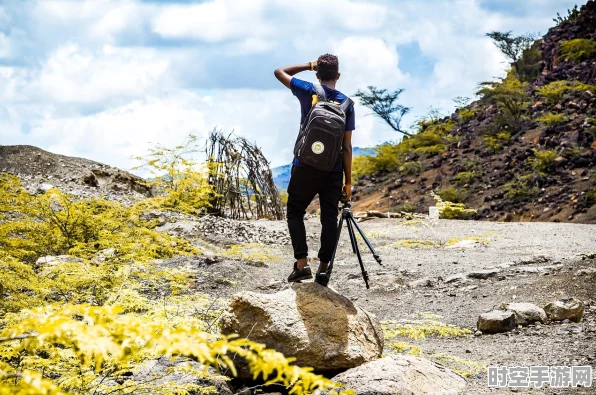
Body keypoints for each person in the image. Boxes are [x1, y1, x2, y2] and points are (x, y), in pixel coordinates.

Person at [274, 53, 355, 286]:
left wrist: (309, 65)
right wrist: (347, 183)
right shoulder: (348, 104)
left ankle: (301, 264)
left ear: (318, 74)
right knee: (329, 217)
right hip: (333, 169)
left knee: (295, 211)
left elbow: (280, 72)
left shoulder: (309, 90)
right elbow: (347, 147)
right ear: (338, 76)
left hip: (305, 165)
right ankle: (323, 269)